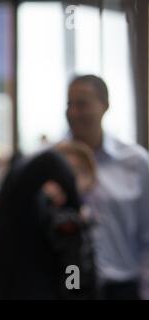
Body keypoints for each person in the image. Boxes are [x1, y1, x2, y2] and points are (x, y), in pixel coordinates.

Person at [66, 74, 149, 299]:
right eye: (69, 104)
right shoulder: (55, 162)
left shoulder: (135, 162)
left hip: (122, 287)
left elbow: (147, 236)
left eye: (82, 104)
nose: (73, 112)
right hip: (71, 286)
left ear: (104, 105)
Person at [0, 148, 97, 299]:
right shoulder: (22, 204)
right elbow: (50, 160)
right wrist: (76, 205)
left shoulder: (63, 220)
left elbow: (73, 277)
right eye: (70, 172)